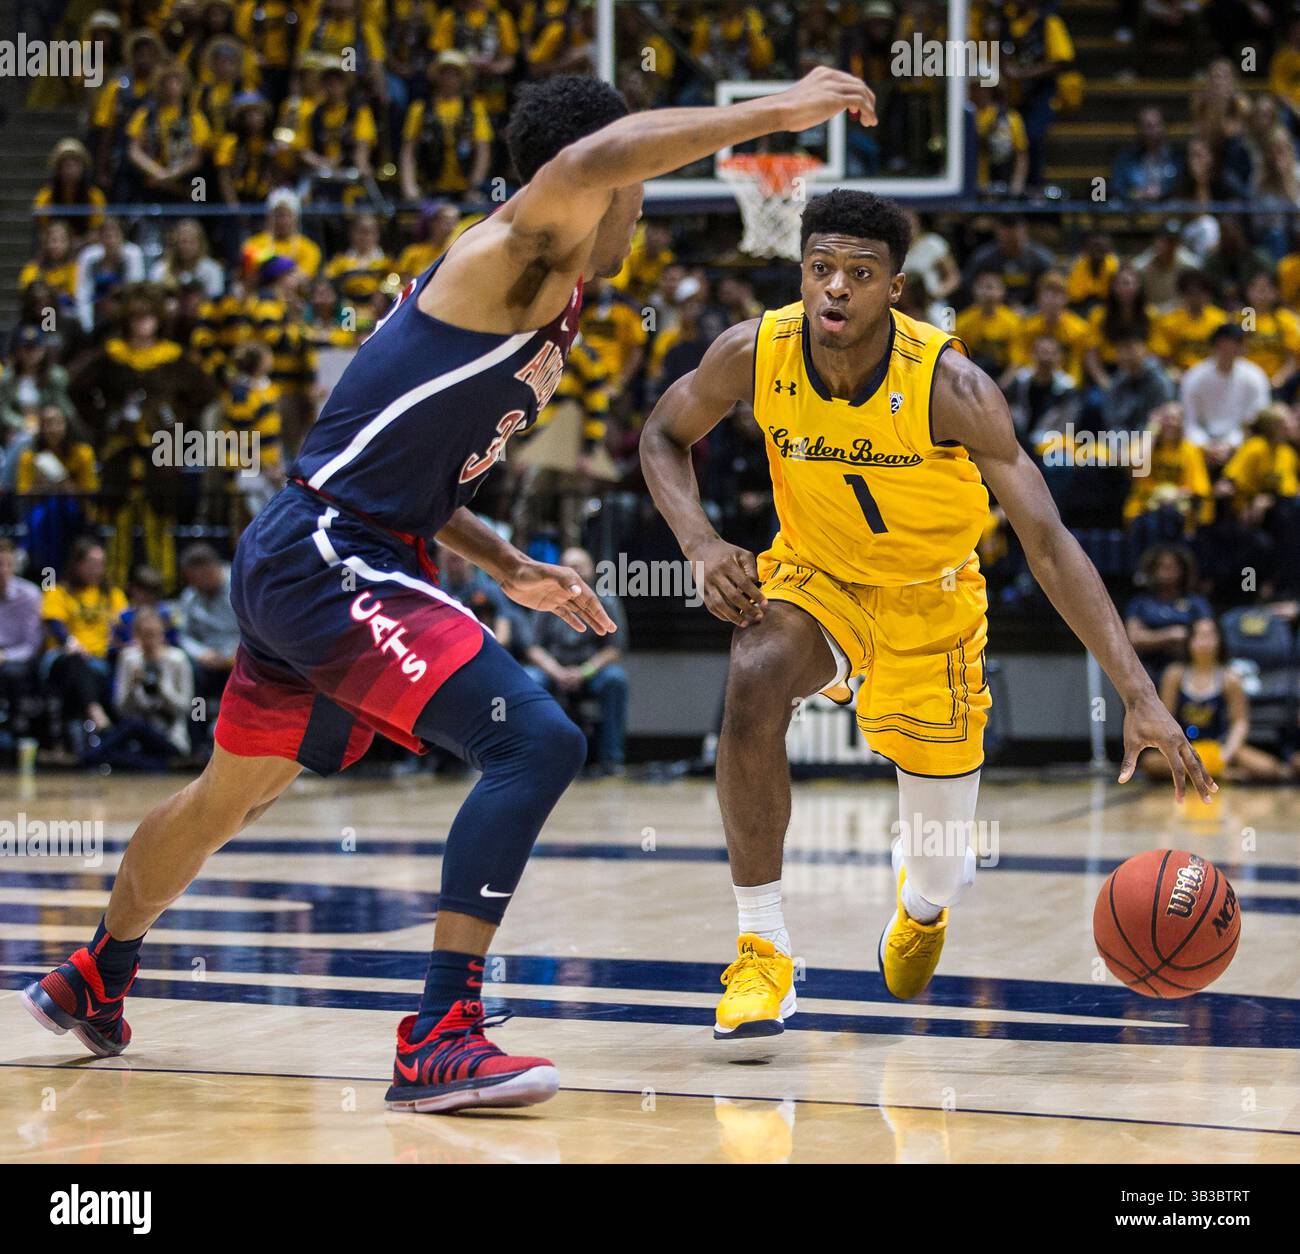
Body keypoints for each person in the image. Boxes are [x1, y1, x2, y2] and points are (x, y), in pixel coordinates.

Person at [22, 67, 879, 1111]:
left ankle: (96, 974)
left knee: (230, 792)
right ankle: (438, 1033)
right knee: (537, 739)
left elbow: (391, 463)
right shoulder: (517, 249)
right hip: (332, 554)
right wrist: (774, 115)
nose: (640, 221)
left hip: (327, 543)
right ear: (600, 183)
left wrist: (509, 564)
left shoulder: (531, 290)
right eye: (640, 195)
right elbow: (591, 158)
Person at [639, 189, 1214, 1045]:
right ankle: (762, 947)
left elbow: (1049, 544)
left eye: (859, 274)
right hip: (815, 578)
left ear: (896, 289)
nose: (835, 290)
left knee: (942, 862)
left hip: (932, 604)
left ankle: (922, 905)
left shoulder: (953, 386)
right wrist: (699, 541)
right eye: (820, 269)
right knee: (753, 675)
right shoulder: (753, 352)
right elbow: (661, 435)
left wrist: (1138, 691)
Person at [1143, 617, 1290, 782]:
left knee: (1268, 768)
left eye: (1210, 636)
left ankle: (1205, 772)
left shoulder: (1230, 679)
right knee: (1150, 762)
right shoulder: (1174, 675)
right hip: (1184, 749)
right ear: (1189, 641)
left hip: (1219, 748)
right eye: (1199, 636)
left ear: (1220, 641)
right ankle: (1219, 774)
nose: (1204, 641)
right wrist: (1177, 750)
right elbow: (1165, 719)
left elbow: (1240, 722)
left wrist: (1224, 755)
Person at [528, 546, 629, 774]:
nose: (574, 570)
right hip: (553, 671)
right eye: (569, 565)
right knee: (530, 680)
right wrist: (558, 673)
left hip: (592, 672)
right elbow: (534, 648)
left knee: (616, 679)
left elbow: (615, 649)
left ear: (591, 569)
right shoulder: (546, 599)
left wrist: (585, 671)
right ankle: (534, 755)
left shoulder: (608, 600)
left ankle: (611, 760)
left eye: (579, 565)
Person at [1179, 323, 1271, 467]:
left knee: (1259, 445)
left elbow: (1255, 420)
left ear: (1242, 348)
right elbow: (1190, 421)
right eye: (1223, 346)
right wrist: (1205, 445)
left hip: (1241, 444)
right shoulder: (1194, 377)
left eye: (1233, 346)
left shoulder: (1255, 376)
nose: (1227, 351)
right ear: (1213, 347)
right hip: (1202, 445)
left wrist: (1231, 444)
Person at [1125, 542, 1214, 682]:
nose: (1167, 571)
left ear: (1183, 570)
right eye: (1161, 566)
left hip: (1186, 667)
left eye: (1172, 566)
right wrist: (1169, 636)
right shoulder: (1140, 603)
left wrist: (1185, 642)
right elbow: (1134, 638)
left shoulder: (1196, 603)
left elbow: (1206, 635)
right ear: (1151, 570)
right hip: (1146, 668)